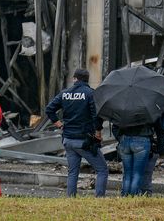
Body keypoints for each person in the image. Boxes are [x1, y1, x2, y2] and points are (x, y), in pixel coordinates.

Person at [46, 68, 108, 197]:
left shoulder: (64, 93)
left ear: (75, 79)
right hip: (84, 141)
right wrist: (98, 132)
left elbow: (49, 109)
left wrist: (58, 124)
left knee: (73, 172)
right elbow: (96, 115)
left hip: (68, 139)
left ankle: (71, 199)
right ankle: (100, 199)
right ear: (87, 79)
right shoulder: (90, 93)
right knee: (102, 169)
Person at [113, 122, 154, 196]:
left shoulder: (123, 110)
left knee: (127, 173)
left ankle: (125, 197)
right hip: (142, 139)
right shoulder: (147, 111)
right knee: (137, 174)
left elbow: (115, 127)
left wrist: (120, 138)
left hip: (125, 139)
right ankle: (133, 198)